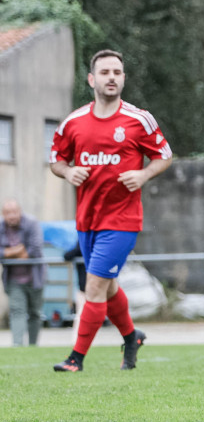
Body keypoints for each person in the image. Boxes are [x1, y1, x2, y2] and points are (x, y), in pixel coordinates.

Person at [49, 49, 172, 371]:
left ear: (124, 78)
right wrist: (67, 171)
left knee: (93, 287)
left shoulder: (138, 119)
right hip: (87, 220)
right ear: (92, 79)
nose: (112, 77)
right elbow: (56, 160)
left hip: (122, 221)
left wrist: (144, 173)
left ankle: (76, 358)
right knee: (109, 286)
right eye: (105, 72)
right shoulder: (73, 122)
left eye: (117, 72)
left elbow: (165, 156)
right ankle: (132, 337)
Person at [1, 199, 46, 346]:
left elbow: (35, 249)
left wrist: (8, 253)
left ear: (20, 211)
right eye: (8, 213)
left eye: (14, 212)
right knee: (17, 311)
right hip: (13, 279)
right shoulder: (1, 227)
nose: (12, 216)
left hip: (35, 277)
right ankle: (18, 345)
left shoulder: (32, 223)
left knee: (35, 313)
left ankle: (33, 346)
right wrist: (18, 250)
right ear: (3, 214)